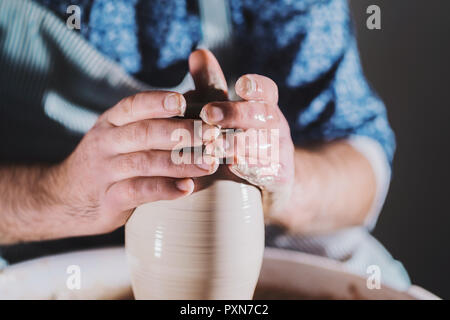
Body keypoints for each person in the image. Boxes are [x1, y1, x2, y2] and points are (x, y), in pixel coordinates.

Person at [0, 0, 410, 289]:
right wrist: (53, 197)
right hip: (29, 237)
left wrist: (284, 183)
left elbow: (363, 171)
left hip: (256, 236)